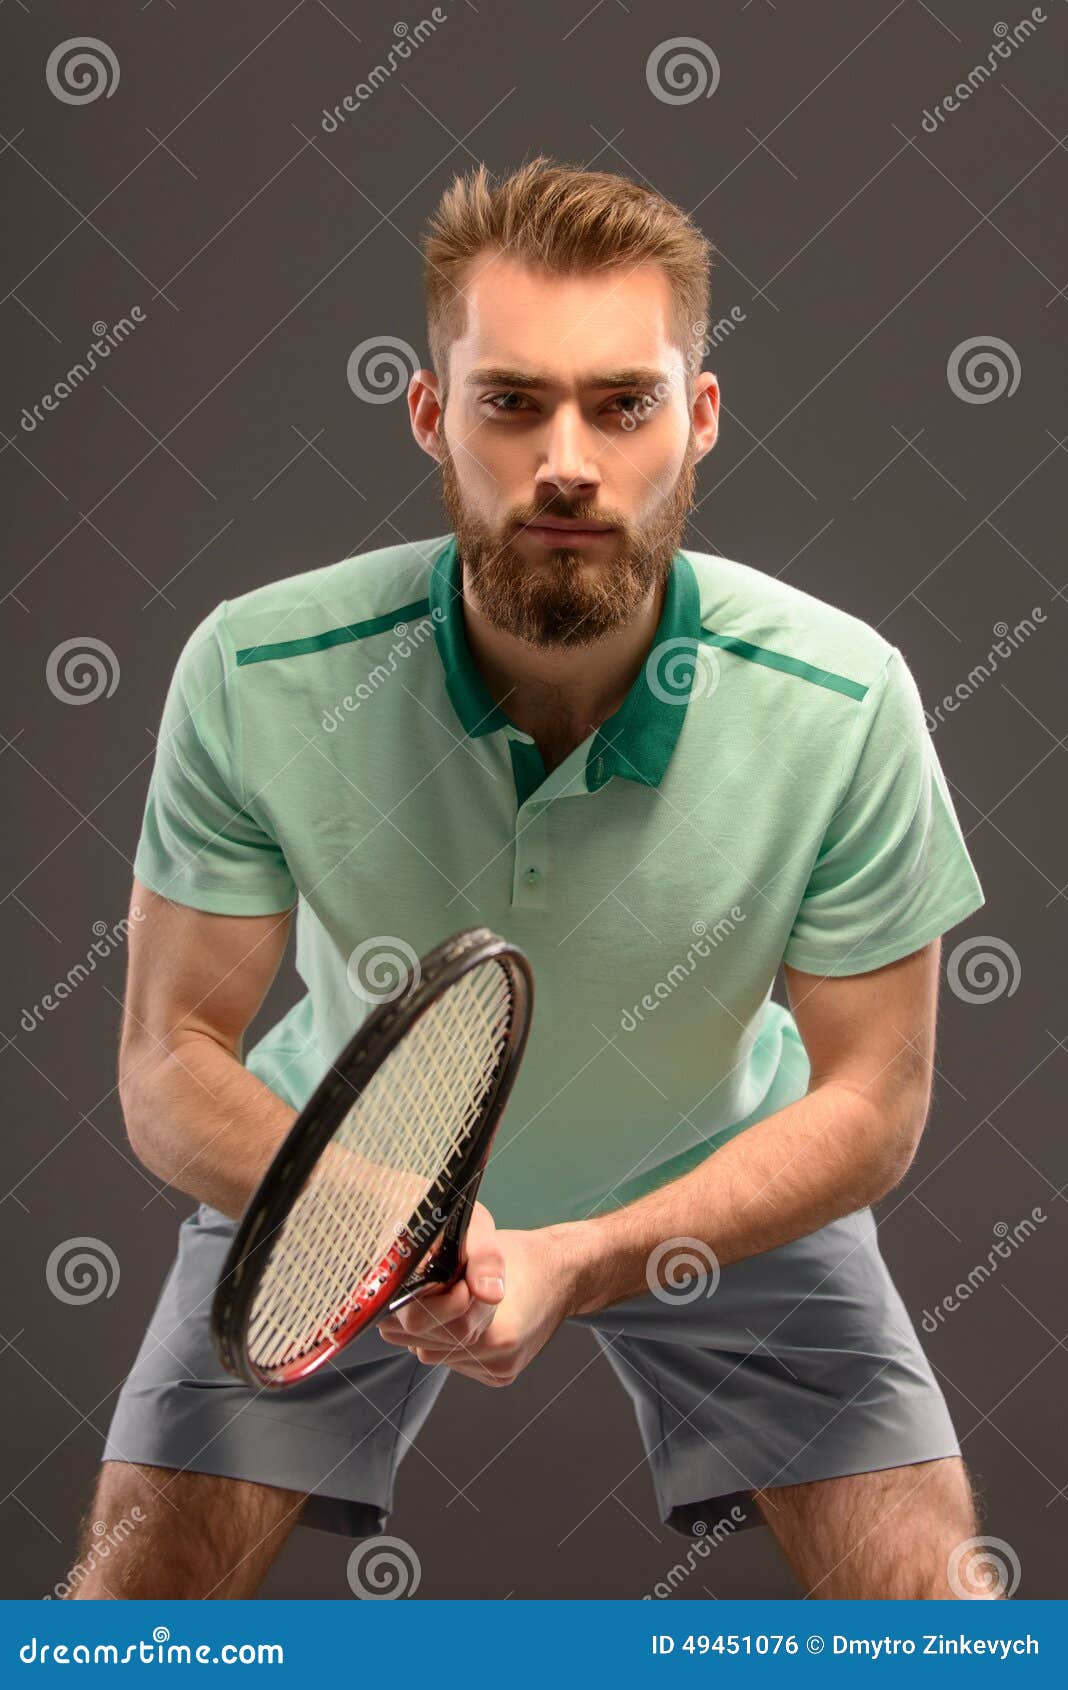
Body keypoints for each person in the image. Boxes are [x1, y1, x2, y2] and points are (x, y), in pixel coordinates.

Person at [69, 157, 989, 1599]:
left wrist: (594, 1251)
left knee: (931, 1605)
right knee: (132, 1612)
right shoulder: (253, 672)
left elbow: (876, 1100)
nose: (570, 458)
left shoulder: (847, 696)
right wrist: (378, 1204)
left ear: (698, 419)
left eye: (624, 404)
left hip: (720, 1196)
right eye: (513, 402)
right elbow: (166, 1059)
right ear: (435, 414)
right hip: (337, 1186)